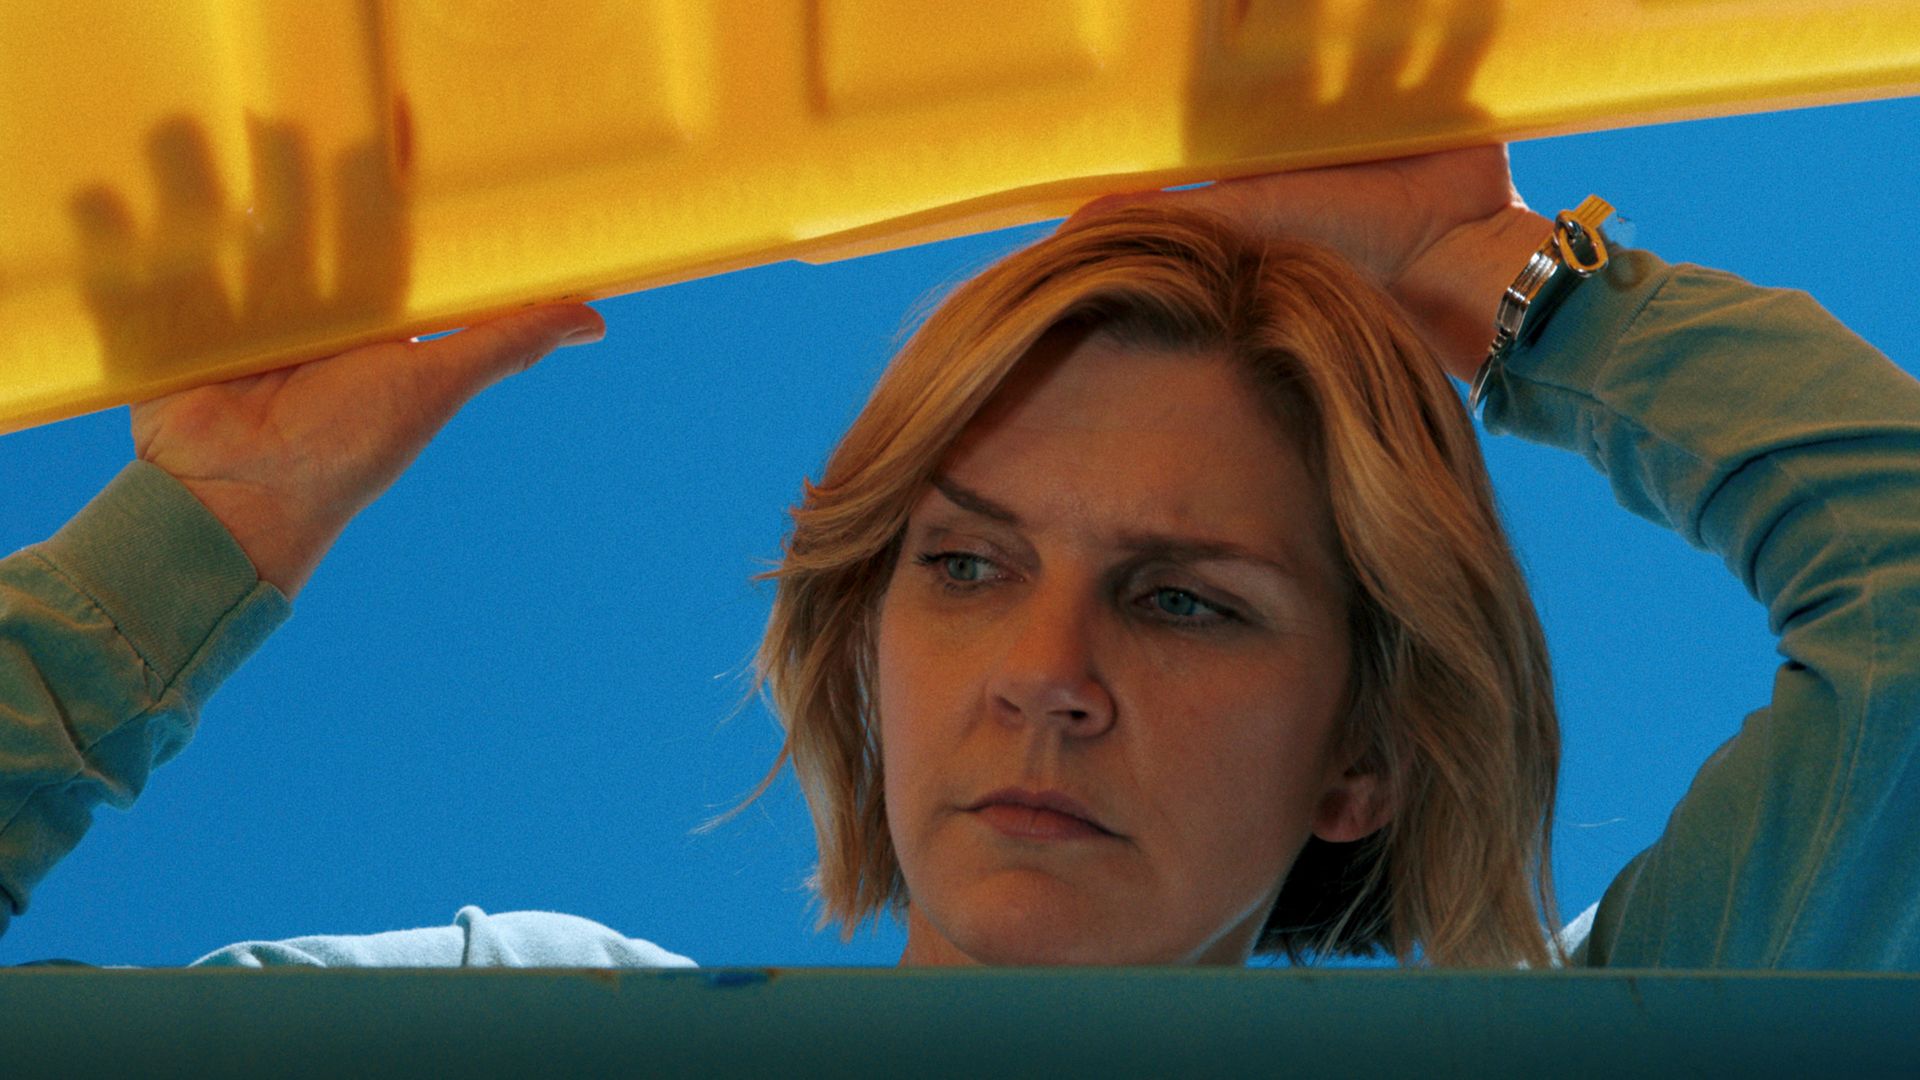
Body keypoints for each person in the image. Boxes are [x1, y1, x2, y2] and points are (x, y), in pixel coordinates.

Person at [2, 144, 1916, 968]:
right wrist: (202, 531)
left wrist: (1487, 278)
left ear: (1366, 754)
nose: (1046, 678)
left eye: (1185, 601)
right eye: (968, 569)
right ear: (862, 640)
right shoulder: (534, 1021)